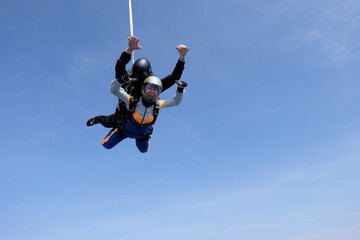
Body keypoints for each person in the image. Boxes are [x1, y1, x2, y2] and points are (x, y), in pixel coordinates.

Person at [86, 36, 190, 128]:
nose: (140, 81)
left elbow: (174, 77)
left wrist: (182, 58)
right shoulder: (128, 80)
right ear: (134, 74)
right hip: (123, 114)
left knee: (142, 133)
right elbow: (119, 66)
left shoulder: (153, 86)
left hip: (141, 120)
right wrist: (129, 50)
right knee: (108, 122)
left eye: (143, 78)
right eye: (138, 77)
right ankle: (97, 119)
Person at [101, 75, 187, 152]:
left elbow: (176, 101)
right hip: (124, 131)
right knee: (106, 145)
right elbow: (114, 90)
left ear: (159, 92)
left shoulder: (158, 104)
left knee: (144, 150)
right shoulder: (132, 101)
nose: (152, 91)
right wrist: (121, 80)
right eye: (149, 88)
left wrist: (180, 89)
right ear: (144, 89)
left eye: (155, 90)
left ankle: (143, 136)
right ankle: (116, 127)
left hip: (142, 135)